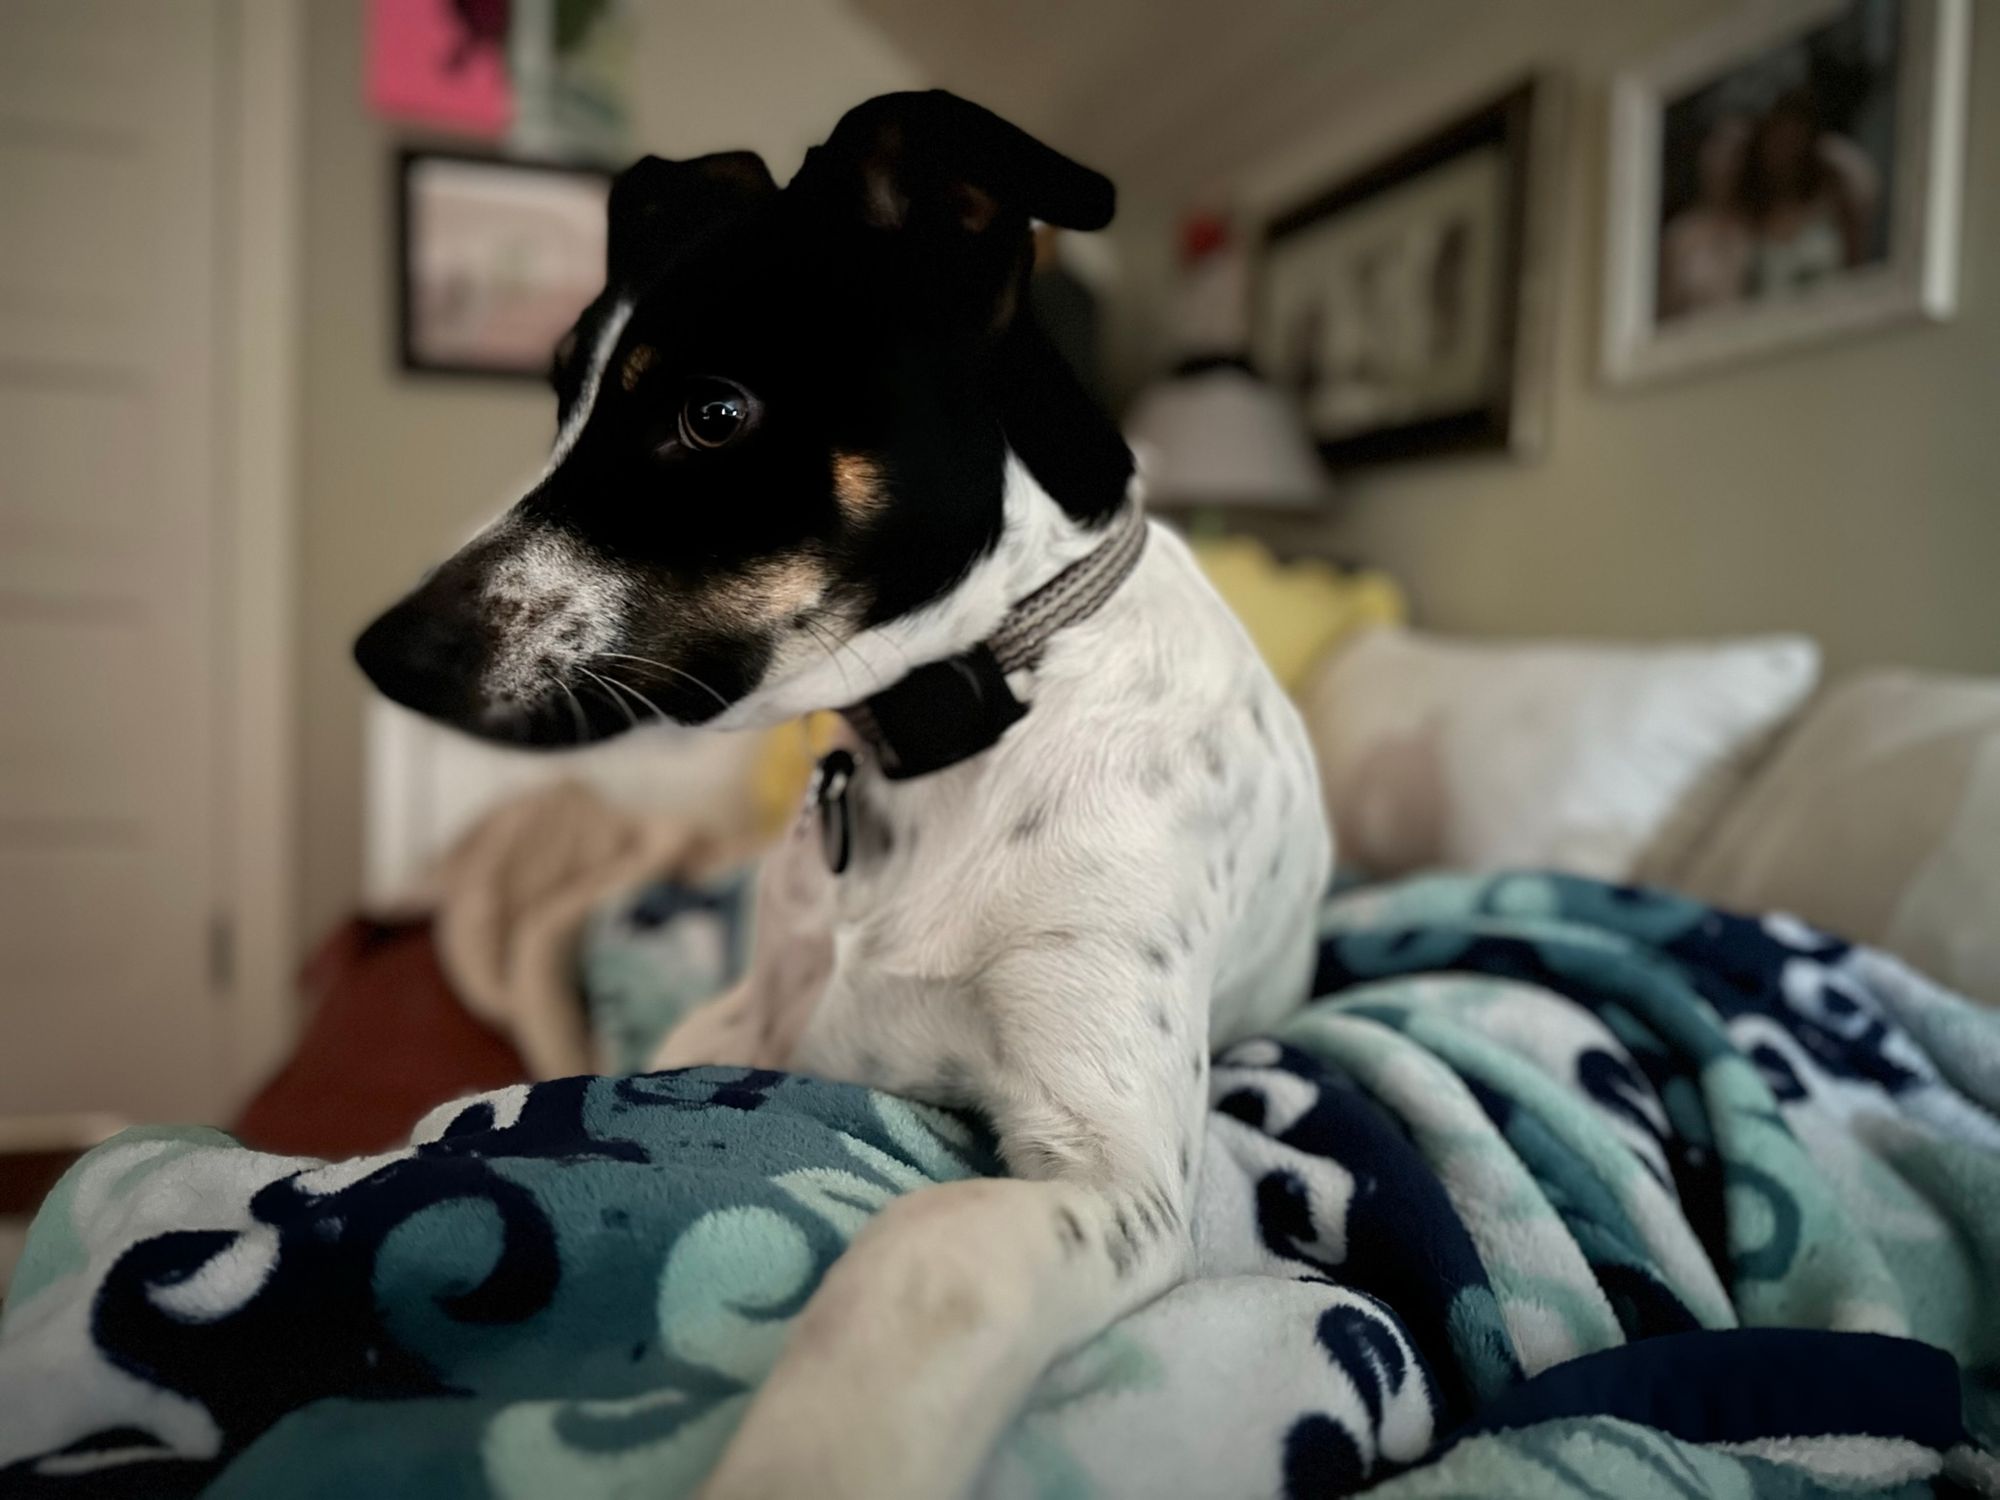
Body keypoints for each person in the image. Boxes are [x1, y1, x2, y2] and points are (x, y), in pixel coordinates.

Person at [1740, 86, 1881, 296]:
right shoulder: (1751, 213)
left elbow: (1859, 271)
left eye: (1793, 141)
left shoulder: (1836, 200)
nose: (1784, 154)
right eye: (1777, 141)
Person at [1658, 113, 1756, 320]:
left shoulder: (1761, 225)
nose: (1727, 163)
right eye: (1719, 148)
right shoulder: (1679, 234)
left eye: (1738, 152)